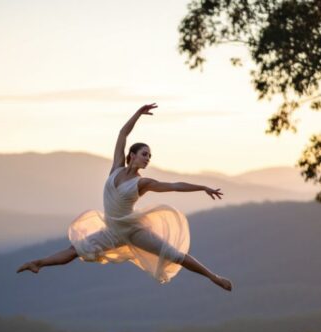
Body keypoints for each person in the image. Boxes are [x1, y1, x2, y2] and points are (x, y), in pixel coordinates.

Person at [17, 103, 232, 291]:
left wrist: (202, 187)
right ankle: (38, 263)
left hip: (133, 231)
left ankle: (214, 277)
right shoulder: (116, 168)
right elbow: (122, 134)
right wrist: (138, 113)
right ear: (132, 155)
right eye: (144, 154)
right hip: (112, 231)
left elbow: (174, 186)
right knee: (74, 251)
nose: (147, 158)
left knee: (175, 255)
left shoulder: (142, 183)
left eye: (150, 156)